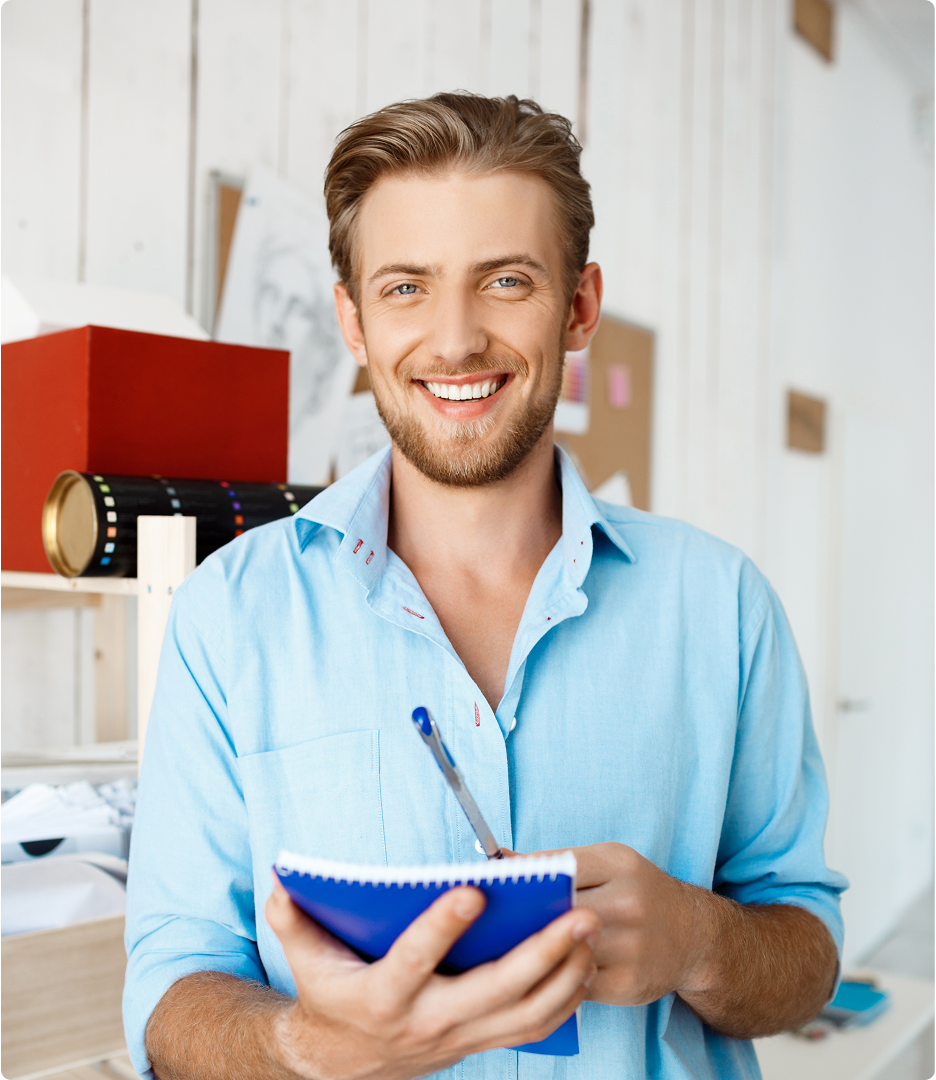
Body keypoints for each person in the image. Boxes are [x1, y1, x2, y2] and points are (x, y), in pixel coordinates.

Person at [124, 93, 846, 1080]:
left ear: (579, 305)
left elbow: (806, 959)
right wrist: (313, 1044)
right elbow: (172, 987)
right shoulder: (229, 616)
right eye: (406, 288)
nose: (456, 338)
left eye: (506, 280)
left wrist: (694, 940)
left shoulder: (722, 608)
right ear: (354, 319)